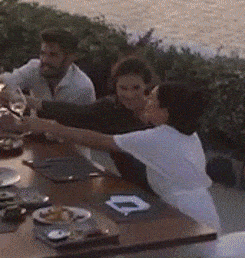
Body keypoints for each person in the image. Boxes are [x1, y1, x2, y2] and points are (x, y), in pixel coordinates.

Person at [15, 82, 220, 258]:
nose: (146, 102)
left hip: (185, 231)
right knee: (106, 237)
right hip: (202, 220)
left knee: (110, 251)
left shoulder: (159, 137)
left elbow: (101, 141)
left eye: (152, 99)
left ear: (166, 112)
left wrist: (48, 126)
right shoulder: (187, 135)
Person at [11, 54, 156, 187]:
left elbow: (101, 141)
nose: (129, 94)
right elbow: (75, 112)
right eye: (123, 88)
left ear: (147, 86)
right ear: (115, 87)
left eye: (136, 88)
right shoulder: (111, 108)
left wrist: (49, 127)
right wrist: (25, 101)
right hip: (128, 184)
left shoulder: (158, 114)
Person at [0, 27, 96, 104]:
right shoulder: (34, 68)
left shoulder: (82, 88)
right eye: (42, 53)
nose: (45, 60)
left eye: (53, 55)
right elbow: (7, 82)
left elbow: (68, 123)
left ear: (70, 58)